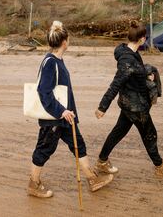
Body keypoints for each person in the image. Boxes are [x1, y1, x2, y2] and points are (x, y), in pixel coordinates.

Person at [28, 21, 113, 198]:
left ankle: (92, 178)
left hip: (66, 117)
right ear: (64, 41)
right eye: (68, 38)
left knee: (79, 146)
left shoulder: (57, 59)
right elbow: (43, 91)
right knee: (44, 149)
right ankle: (33, 184)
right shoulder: (51, 62)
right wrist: (62, 111)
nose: (69, 40)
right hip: (55, 118)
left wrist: (68, 113)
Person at [94, 21, 163, 176]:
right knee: (149, 134)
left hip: (129, 104)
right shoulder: (127, 61)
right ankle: (159, 165)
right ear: (141, 39)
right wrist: (102, 107)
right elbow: (116, 84)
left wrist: (145, 75)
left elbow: (133, 73)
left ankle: (102, 161)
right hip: (135, 106)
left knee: (118, 132)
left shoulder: (129, 53)